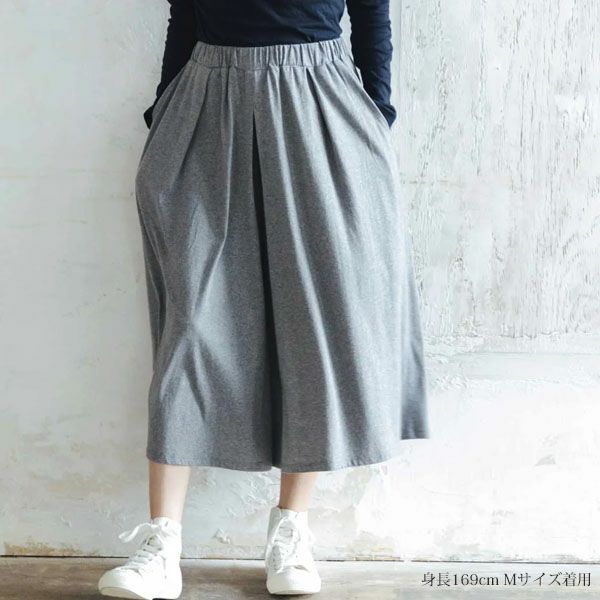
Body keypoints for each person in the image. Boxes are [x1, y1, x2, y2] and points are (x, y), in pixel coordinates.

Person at [98, 1, 430, 598]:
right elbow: (185, 15)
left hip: (318, 98)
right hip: (207, 101)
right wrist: (163, 112)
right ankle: (163, 544)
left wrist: (375, 115)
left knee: (313, 320)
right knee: (190, 329)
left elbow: (372, 18)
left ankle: (290, 532)